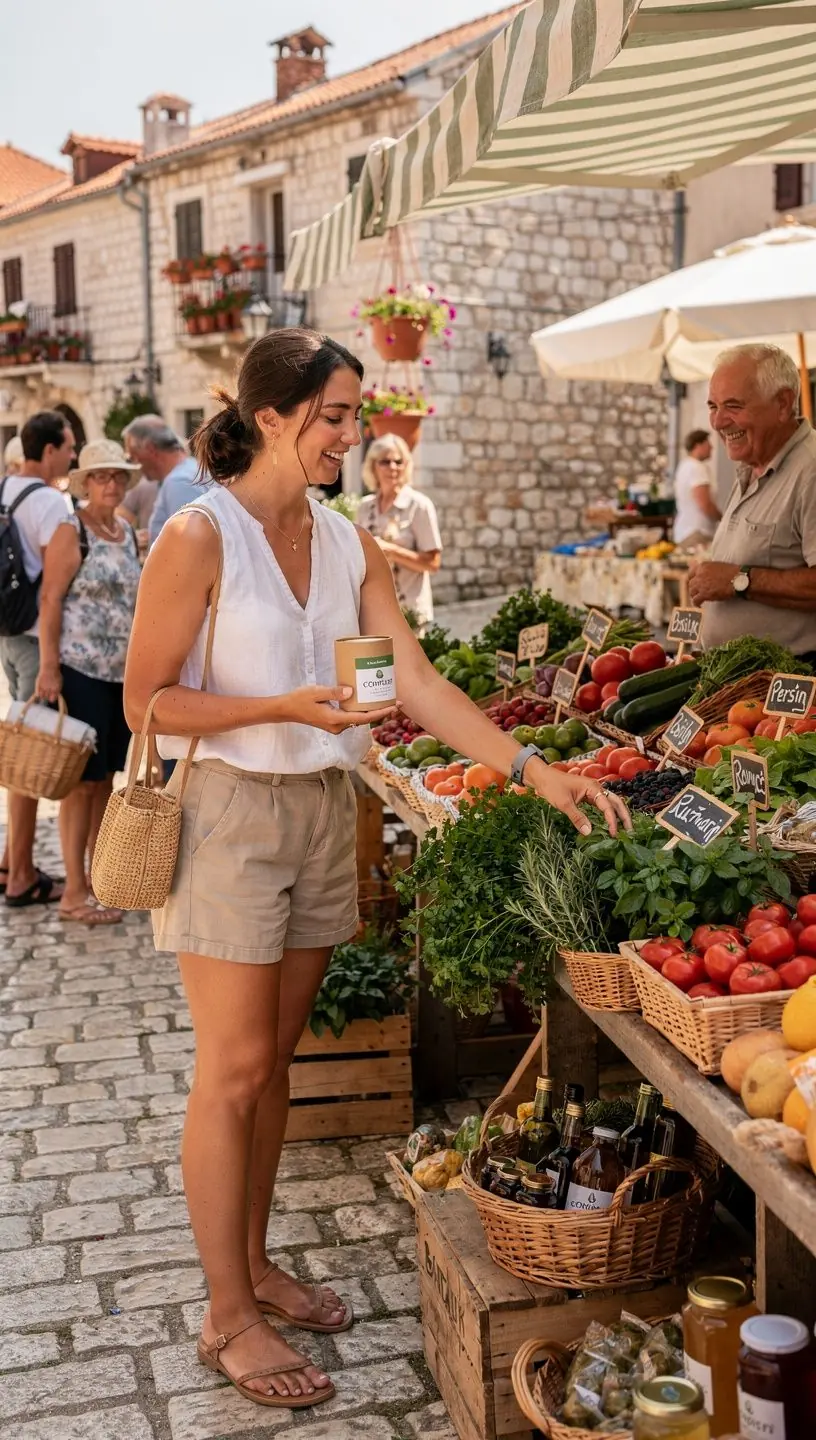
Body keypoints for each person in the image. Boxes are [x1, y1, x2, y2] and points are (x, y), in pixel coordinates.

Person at [124, 327, 629, 1413]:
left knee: (279, 1062)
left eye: (358, 416)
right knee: (234, 1070)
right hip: (225, 813)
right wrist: (276, 705)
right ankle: (227, 1318)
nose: (358, 436)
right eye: (339, 416)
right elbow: (146, 705)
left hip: (321, 810)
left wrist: (535, 768)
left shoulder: (346, 540)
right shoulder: (200, 537)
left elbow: (417, 679)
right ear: (271, 417)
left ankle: (254, 1268)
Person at [36, 439, 142, 925]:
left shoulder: (127, 533)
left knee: (105, 782)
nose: (112, 484)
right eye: (102, 476)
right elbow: (51, 601)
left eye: (118, 476)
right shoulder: (70, 530)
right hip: (80, 671)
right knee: (81, 785)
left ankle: (99, 881)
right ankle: (73, 892)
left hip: (122, 676)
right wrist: (48, 667)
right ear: (86, 484)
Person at [688, 343, 816, 662]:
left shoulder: (811, 469)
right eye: (712, 406)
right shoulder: (752, 464)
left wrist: (736, 580)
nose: (717, 422)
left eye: (733, 405)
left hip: (787, 686)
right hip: (738, 682)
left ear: (783, 403)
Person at [0, 410, 76, 906]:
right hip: (35, 641)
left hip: (8, 638)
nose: (72, 454)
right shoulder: (51, 503)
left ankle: (10, 860)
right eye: (68, 446)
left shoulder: (4, 489)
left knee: (21, 747)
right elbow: (52, 596)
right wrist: (50, 663)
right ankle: (23, 875)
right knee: (28, 759)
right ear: (48, 451)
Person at [357, 433, 442, 632]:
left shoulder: (419, 506)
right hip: (373, 613)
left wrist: (391, 551)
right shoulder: (364, 508)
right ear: (373, 466)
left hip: (410, 615)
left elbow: (433, 563)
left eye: (398, 461)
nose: (393, 468)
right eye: (385, 462)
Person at [121, 415, 206, 545]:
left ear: (150, 449)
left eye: (134, 456)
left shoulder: (179, 482)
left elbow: (191, 545)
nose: (135, 465)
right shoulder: (189, 469)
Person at [673, 428, 721, 546]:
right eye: (708, 444)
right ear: (698, 445)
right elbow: (705, 503)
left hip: (684, 531)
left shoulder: (684, 465)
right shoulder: (697, 468)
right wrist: (723, 519)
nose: (711, 448)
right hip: (697, 533)